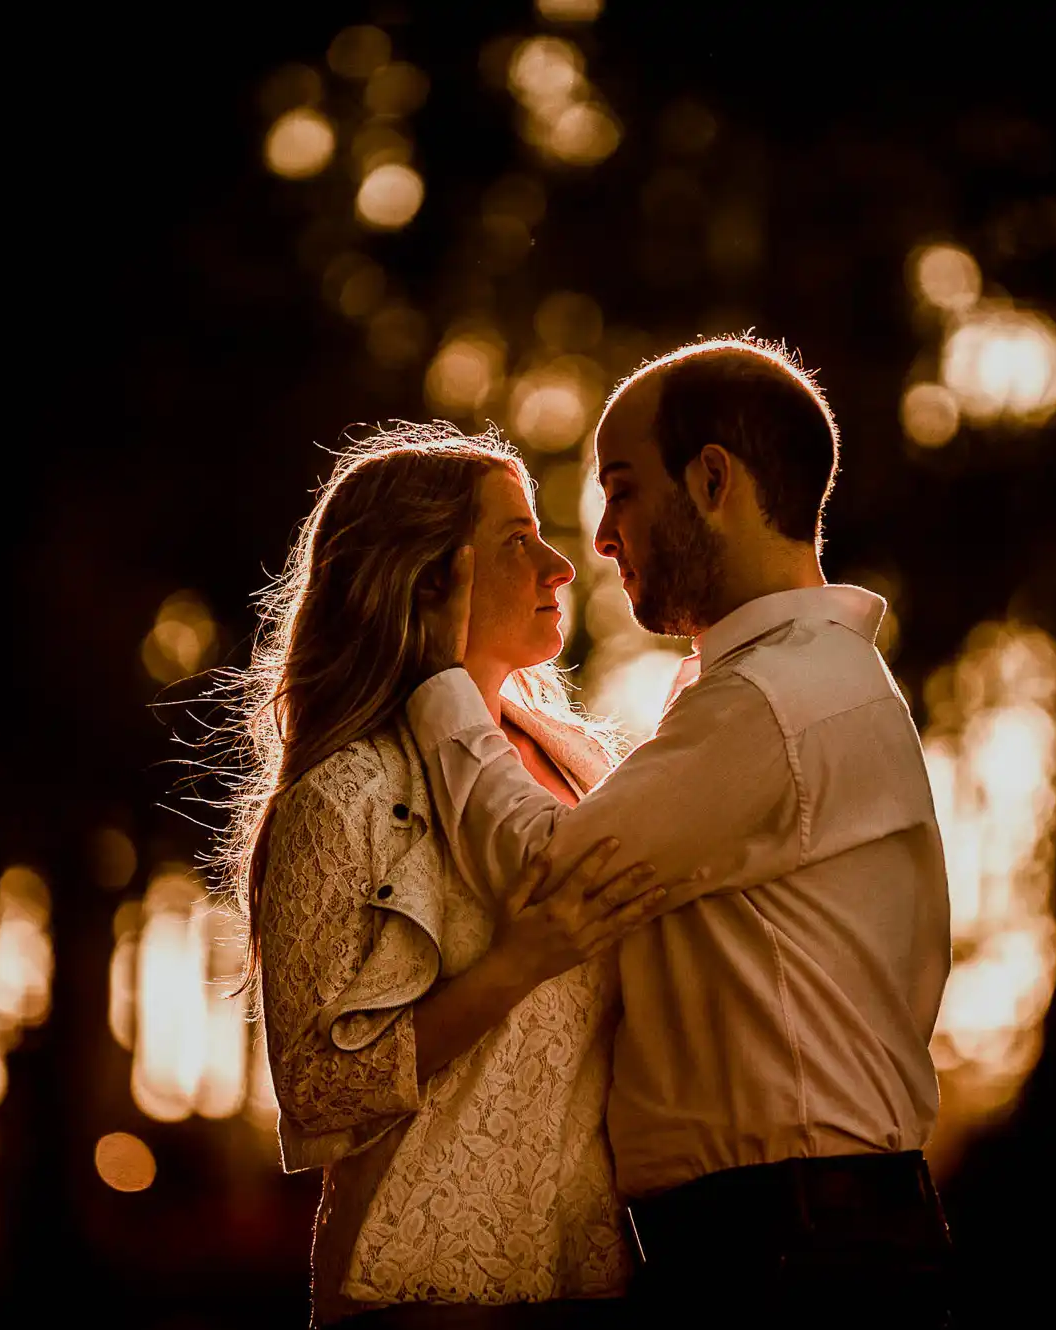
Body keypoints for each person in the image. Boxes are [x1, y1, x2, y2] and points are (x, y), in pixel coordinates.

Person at [408, 336, 956, 1316]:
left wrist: (441, 679)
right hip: (797, 1238)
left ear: (711, 480)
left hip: (790, 1254)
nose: (600, 539)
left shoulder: (775, 702)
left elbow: (546, 871)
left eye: (620, 491)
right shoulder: (787, 684)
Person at [223, 426, 690, 1327]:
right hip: (421, 1286)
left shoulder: (584, 768)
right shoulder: (343, 795)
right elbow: (315, 1088)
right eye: (518, 540)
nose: (561, 567)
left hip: (594, 1274)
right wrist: (514, 966)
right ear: (427, 577)